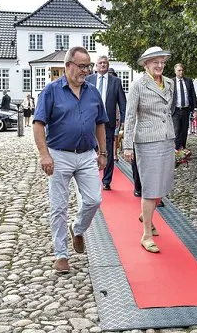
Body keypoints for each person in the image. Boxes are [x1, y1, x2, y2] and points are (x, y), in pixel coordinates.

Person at [32, 46, 108, 273]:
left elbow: (100, 123)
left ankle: (78, 228)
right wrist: (44, 155)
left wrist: (103, 152)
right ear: (68, 66)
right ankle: (61, 254)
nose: (86, 71)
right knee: (58, 206)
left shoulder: (93, 92)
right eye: (82, 66)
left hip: (86, 155)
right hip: (59, 155)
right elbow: (38, 124)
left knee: (94, 200)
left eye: (88, 66)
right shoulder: (51, 91)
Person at [123, 46, 175, 254]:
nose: (160, 65)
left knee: (163, 185)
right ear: (146, 64)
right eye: (155, 62)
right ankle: (146, 234)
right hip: (146, 141)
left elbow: (168, 111)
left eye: (162, 61)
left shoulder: (170, 83)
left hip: (167, 137)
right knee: (150, 187)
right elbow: (130, 116)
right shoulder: (138, 85)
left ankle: (146, 214)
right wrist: (128, 145)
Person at [86, 56, 127, 190]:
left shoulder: (116, 82)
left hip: (108, 122)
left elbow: (122, 103)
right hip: (90, 121)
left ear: (108, 66)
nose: (103, 65)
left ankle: (106, 180)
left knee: (108, 151)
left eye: (105, 63)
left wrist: (124, 121)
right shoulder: (89, 80)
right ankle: (91, 178)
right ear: (96, 66)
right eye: (100, 63)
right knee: (91, 150)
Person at [172, 63, 197, 150]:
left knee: (184, 130)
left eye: (182, 70)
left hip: (186, 109)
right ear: (175, 71)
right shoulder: (171, 82)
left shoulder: (188, 81)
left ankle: (182, 149)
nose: (181, 72)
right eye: (179, 70)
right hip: (175, 110)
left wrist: (195, 109)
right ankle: (176, 150)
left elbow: (193, 95)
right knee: (176, 131)